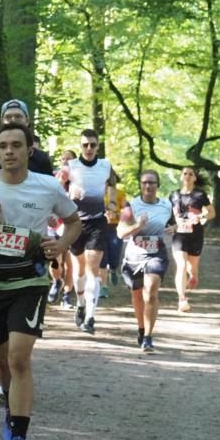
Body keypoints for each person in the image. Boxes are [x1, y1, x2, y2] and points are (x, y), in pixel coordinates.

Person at [0, 123, 80, 440]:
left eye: (16, 145)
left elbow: (74, 222)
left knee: (20, 359)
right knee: (3, 360)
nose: (9, 151)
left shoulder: (48, 186)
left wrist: (61, 244)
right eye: (3, 145)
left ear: (29, 150)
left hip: (29, 280)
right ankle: (11, 408)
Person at [117, 169, 173, 353]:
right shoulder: (130, 206)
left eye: (152, 182)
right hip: (134, 254)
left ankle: (148, 337)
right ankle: (141, 329)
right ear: (140, 185)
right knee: (137, 294)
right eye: (145, 183)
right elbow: (120, 232)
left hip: (157, 252)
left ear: (158, 185)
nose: (148, 186)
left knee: (150, 292)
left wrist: (174, 228)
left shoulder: (166, 205)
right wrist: (137, 226)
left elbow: (174, 225)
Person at [66, 129, 114, 335]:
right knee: (79, 271)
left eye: (92, 145)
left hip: (97, 222)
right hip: (76, 222)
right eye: (85, 145)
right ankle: (80, 302)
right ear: (80, 146)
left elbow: (112, 185)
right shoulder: (71, 166)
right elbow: (58, 188)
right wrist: (70, 193)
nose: (89, 149)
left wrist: (111, 204)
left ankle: (90, 317)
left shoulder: (105, 166)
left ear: (97, 146)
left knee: (93, 268)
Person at [169, 166, 216, 312]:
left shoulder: (200, 195)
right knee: (181, 265)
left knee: (192, 267)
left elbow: (212, 213)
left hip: (195, 235)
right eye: (185, 173)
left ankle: (193, 274)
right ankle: (182, 299)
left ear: (195, 178)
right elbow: (168, 214)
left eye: (191, 174)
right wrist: (169, 226)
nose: (188, 176)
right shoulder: (173, 195)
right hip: (179, 236)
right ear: (181, 177)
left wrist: (200, 216)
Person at [0, 100, 54, 175]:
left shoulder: (40, 159)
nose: (13, 120)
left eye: (18, 116)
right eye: (8, 117)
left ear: (27, 121)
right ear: (1, 121)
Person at [49, 149, 77, 306]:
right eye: (63, 159)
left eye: (69, 159)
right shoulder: (53, 178)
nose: (65, 162)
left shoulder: (79, 181)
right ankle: (56, 280)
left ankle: (67, 295)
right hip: (54, 225)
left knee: (70, 262)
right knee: (54, 259)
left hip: (71, 225)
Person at [98, 171, 127, 300]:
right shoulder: (97, 193)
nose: (109, 181)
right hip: (100, 228)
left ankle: (114, 269)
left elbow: (127, 213)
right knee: (102, 258)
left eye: (112, 178)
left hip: (115, 228)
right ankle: (103, 286)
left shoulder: (120, 194)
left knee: (114, 257)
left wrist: (117, 214)